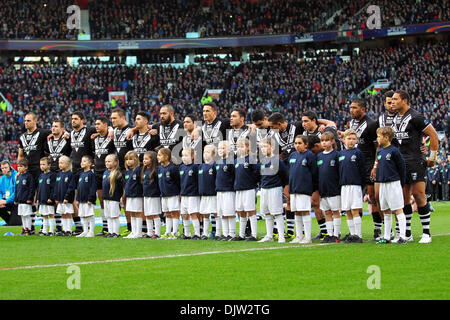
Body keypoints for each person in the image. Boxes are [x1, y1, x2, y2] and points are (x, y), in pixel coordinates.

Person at [390, 90, 439, 243]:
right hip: (400, 163)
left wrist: (432, 157)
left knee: (419, 195)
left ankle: (426, 233)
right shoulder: (395, 119)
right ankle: (407, 233)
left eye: (395, 99)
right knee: (403, 198)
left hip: (415, 161)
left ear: (404, 100)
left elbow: (433, 134)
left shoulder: (416, 117)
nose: (392, 102)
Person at [348, 98, 381, 240]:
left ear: (362, 109)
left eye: (354, 107)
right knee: (355, 199)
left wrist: (375, 165)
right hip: (355, 165)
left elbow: (377, 147)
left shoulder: (372, 124)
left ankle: (378, 228)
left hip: (368, 164)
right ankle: (356, 232)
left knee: (373, 198)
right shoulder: (351, 123)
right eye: (350, 107)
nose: (351, 110)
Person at [18, 112, 51, 234]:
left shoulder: (42, 133)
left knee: (41, 197)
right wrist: (19, 170)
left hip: (40, 170)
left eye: (28, 120)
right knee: (29, 198)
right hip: (27, 171)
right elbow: (20, 155)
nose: (26, 123)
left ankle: (44, 226)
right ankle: (29, 228)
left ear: (35, 121)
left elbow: (57, 133)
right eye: (25, 121)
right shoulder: (22, 137)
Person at [374, 126, 407, 244]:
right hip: (383, 184)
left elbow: (402, 168)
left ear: (386, 138)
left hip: (393, 183)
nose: (377, 139)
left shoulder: (394, 151)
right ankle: (387, 236)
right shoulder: (380, 151)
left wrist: (400, 184)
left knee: (398, 209)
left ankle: (403, 236)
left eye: (379, 136)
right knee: (386, 210)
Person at [70, 111, 97, 235]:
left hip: (87, 170)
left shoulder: (90, 130)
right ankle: (81, 227)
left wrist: (111, 131)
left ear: (82, 120)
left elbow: (104, 128)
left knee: (88, 201)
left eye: (76, 118)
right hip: (75, 169)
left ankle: (99, 228)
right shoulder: (70, 133)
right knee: (76, 200)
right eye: (72, 119)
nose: (73, 121)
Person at [257, 138, 289, 243]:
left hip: (275, 188)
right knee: (267, 213)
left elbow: (284, 175)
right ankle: (269, 235)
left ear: (273, 147)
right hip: (264, 189)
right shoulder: (262, 161)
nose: (263, 149)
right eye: (261, 147)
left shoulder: (277, 161)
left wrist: (282, 187)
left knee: (277, 212)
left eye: (265, 146)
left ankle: (281, 236)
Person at [288, 135, 318, 244]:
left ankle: (308, 236)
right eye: (295, 143)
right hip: (293, 188)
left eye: (299, 143)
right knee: (297, 212)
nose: (297, 145)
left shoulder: (309, 156)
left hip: (304, 188)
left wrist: (313, 188)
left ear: (306, 144)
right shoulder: (292, 155)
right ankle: (299, 235)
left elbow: (314, 173)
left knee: (305, 211)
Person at [338, 129, 366, 243]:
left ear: (356, 141)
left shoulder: (358, 153)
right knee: (347, 211)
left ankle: (358, 235)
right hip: (344, 186)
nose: (351, 141)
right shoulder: (340, 154)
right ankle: (352, 234)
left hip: (355, 185)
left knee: (355, 210)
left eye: (353, 139)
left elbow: (362, 170)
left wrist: (362, 186)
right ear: (343, 140)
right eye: (349, 138)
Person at [111, 107, 135, 236]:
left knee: (130, 198)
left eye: (115, 118)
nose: (112, 120)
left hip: (131, 170)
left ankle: (139, 227)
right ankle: (129, 226)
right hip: (120, 169)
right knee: (123, 200)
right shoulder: (114, 131)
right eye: (112, 118)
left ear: (123, 117)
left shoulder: (131, 130)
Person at [233, 138, 260, 241]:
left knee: (250, 210)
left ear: (248, 148)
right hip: (239, 189)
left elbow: (257, 172)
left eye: (242, 146)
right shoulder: (236, 161)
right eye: (238, 147)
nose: (239, 149)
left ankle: (254, 234)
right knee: (240, 211)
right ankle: (241, 234)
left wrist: (253, 183)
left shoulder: (251, 159)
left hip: (249, 188)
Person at [93, 116, 116, 236]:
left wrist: (111, 130)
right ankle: (106, 227)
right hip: (97, 172)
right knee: (102, 201)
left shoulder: (112, 136)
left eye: (98, 124)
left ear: (106, 125)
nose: (96, 126)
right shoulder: (94, 138)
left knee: (114, 200)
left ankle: (120, 227)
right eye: (95, 124)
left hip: (109, 172)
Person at [47, 119, 71, 234]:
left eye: (56, 126)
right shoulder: (49, 140)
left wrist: (68, 134)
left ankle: (76, 226)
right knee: (55, 201)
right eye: (52, 126)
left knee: (69, 202)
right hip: (53, 174)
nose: (53, 128)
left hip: (65, 173)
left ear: (62, 128)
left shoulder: (67, 139)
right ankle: (59, 227)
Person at [317, 132, 341, 243]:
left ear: (332, 141)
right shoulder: (319, 156)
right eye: (322, 141)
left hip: (334, 188)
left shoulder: (337, 155)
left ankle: (336, 234)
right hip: (323, 189)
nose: (324, 143)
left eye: (326, 140)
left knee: (335, 211)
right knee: (326, 212)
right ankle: (329, 234)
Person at [157, 148, 181, 239]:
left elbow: (178, 181)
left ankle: (175, 232)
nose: (157, 157)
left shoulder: (173, 168)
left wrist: (179, 193)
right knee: (167, 213)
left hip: (173, 194)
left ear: (166, 157)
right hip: (164, 195)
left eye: (160, 155)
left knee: (174, 212)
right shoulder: (160, 169)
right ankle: (167, 231)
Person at [215, 140, 236, 241]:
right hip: (219, 191)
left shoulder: (231, 162)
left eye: (223, 148)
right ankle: (225, 233)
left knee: (229, 212)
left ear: (229, 150)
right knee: (222, 213)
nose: (220, 150)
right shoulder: (218, 162)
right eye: (219, 148)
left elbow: (234, 176)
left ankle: (231, 233)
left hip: (228, 190)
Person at [179, 148, 201, 239]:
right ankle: (187, 233)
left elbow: (199, 181)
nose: (184, 158)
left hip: (193, 194)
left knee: (193, 213)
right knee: (184, 214)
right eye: (183, 156)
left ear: (192, 156)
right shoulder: (181, 167)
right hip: (184, 194)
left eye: (186, 155)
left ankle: (197, 233)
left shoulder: (195, 167)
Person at [198, 145, 219, 240]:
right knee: (205, 213)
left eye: (208, 152)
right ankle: (205, 233)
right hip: (204, 194)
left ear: (214, 154)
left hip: (213, 194)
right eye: (204, 152)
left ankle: (217, 232)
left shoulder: (215, 166)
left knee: (215, 213)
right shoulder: (201, 166)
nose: (205, 154)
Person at [102, 154, 124, 238]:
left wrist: (120, 198)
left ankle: (116, 232)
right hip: (106, 197)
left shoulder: (118, 173)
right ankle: (110, 231)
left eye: (109, 161)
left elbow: (120, 187)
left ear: (115, 162)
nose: (107, 163)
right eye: (106, 161)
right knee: (108, 216)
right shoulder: (105, 172)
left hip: (114, 198)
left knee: (114, 216)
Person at [123, 151, 144, 239]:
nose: (128, 161)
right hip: (129, 195)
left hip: (137, 195)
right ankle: (133, 231)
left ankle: (139, 232)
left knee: (138, 212)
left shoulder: (139, 170)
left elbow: (141, 183)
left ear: (136, 160)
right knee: (131, 213)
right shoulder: (127, 172)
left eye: (131, 159)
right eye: (127, 159)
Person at [53, 156, 76, 236]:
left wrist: (67, 197)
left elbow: (71, 187)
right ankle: (64, 230)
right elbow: (56, 186)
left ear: (68, 164)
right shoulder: (59, 174)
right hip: (60, 199)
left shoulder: (70, 174)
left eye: (62, 163)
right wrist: (55, 197)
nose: (60, 164)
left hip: (67, 199)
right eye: (59, 163)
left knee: (68, 213)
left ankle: (69, 230)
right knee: (63, 214)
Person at [75, 155, 97, 238]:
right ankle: (85, 231)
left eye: (84, 161)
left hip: (88, 199)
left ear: (90, 164)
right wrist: (78, 199)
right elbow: (79, 187)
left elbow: (93, 187)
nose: (82, 163)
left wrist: (90, 198)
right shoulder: (81, 174)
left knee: (90, 215)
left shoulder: (91, 174)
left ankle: (91, 231)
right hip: (81, 199)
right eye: (81, 161)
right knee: (83, 215)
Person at [142, 151, 162, 238]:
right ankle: (149, 232)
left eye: (146, 159)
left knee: (155, 214)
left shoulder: (156, 170)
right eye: (143, 159)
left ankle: (157, 233)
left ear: (152, 160)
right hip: (146, 195)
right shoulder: (145, 170)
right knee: (148, 214)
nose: (144, 161)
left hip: (154, 195)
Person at [14, 159, 35, 235]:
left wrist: (30, 198)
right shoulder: (18, 177)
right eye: (18, 166)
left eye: (21, 166)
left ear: (26, 167)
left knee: (27, 215)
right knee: (22, 215)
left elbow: (31, 188)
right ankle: (24, 229)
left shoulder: (29, 176)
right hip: (20, 200)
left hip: (26, 200)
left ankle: (29, 229)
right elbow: (16, 189)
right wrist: (16, 199)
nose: (19, 168)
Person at [36, 157, 56, 236]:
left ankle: (51, 230)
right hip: (42, 199)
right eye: (41, 164)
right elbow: (39, 189)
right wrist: (38, 198)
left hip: (49, 200)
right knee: (44, 215)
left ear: (49, 165)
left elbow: (53, 188)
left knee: (51, 214)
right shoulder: (41, 176)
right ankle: (44, 230)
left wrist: (51, 198)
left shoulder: (52, 175)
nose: (42, 166)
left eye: (44, 164)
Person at [0, 160, 19, 226]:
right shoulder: (2, 178)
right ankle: (9, 221)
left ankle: (11, 221)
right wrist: (0, 200)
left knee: (14, 224)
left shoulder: (16, 176)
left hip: (16, 202)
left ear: (10, 167)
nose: (4, 169)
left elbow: (17, 192)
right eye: (2, 168)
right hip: (8, 202)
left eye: (6, 167)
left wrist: (5, 201)